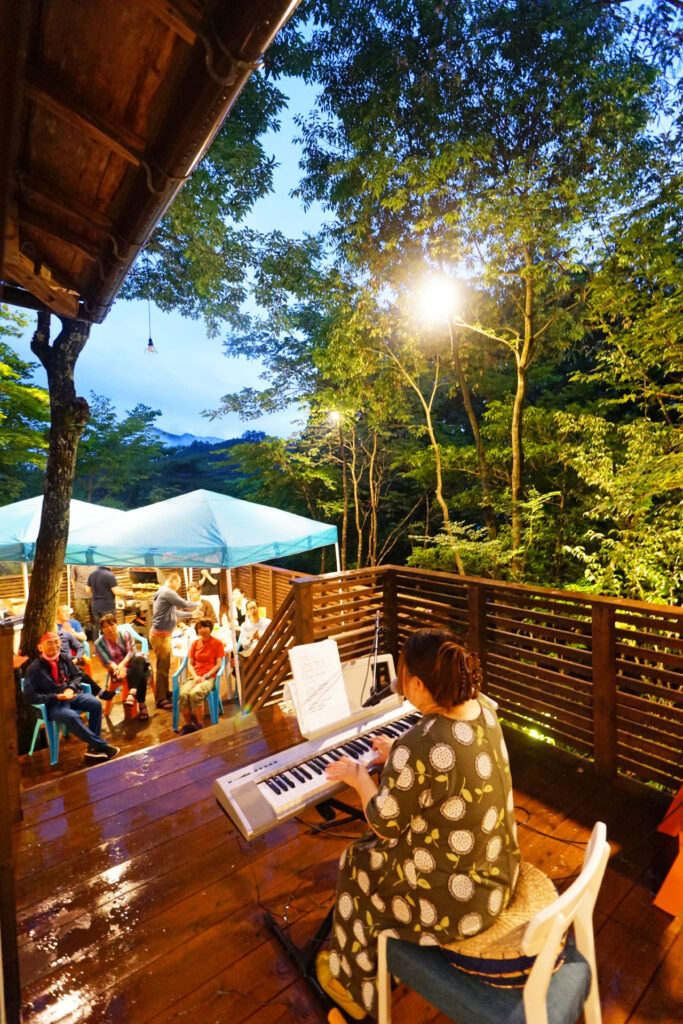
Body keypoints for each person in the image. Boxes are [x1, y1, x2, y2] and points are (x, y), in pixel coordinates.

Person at [315, 629, 521, 1020]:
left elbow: (383, 824)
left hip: (459, 905)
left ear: (420, 686)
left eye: (404, 676)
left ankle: (352, 989)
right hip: (497, 871)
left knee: (358, 861)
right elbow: (448, 760)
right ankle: (374, 957)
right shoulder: (483, 709)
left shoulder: (419, 744)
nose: (400, 683)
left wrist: (358, 777)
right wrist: (398, 751)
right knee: (373, 858)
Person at [23, 632, 120, 764]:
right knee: (72, 717)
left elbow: (77, 674)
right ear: (40, 647)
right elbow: (29, 697)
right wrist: (56, 696)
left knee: (95, 704)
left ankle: (93, 748)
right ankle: (101, 746)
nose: (54, 645)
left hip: (70, 696)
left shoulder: (63, 658)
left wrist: (71, 688)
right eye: (49, 643)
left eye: (57, 642)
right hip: (53, 704)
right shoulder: (34, 669)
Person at [150, 572, 198, 710]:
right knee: (162, 668)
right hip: (160, 636)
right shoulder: (167, 592)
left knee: (165, 666)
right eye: (179, 584)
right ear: (174, 581)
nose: (178, 587)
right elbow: (184, 603)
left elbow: (174, 613)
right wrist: (197, 603)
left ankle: (164, 692)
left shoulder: (162, 592)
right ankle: (161, 699)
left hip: (163, 635)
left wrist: (191, 614)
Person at [94, 614, 151, 721]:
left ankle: (132, 691)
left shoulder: (125, 634)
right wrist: (118, 668)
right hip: (116, 668)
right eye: (105, 627)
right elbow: (107, 661)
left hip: (132, 661)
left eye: (112, 625)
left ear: (116, 624)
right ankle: (142, 705)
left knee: (140, 660)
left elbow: (131, 652)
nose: (109, 629)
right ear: (101, 629)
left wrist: (122, 665)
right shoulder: (99, 643)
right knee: (141, 672)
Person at [177, 618, 224, 735]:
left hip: (210, 677)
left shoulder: (218, 643)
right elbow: (190, 663)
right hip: (195, 676)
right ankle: (188, 725)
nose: (202, 630)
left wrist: (205, 676)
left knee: (195, 693)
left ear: (210, 628)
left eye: (205, 626)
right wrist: (195, 676)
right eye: (199, 628)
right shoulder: (195, 643)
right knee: (183, 694)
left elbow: (218, 664)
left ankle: (199, 724)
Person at [70, 564, 94, 637]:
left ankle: (96, 639)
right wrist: (76, 589)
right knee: (80, 618)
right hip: (80, 595)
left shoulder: (97, 564)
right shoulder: (75, 564)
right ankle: (81, 639)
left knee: (95, 619)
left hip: (95, 595)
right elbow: (72, 579)